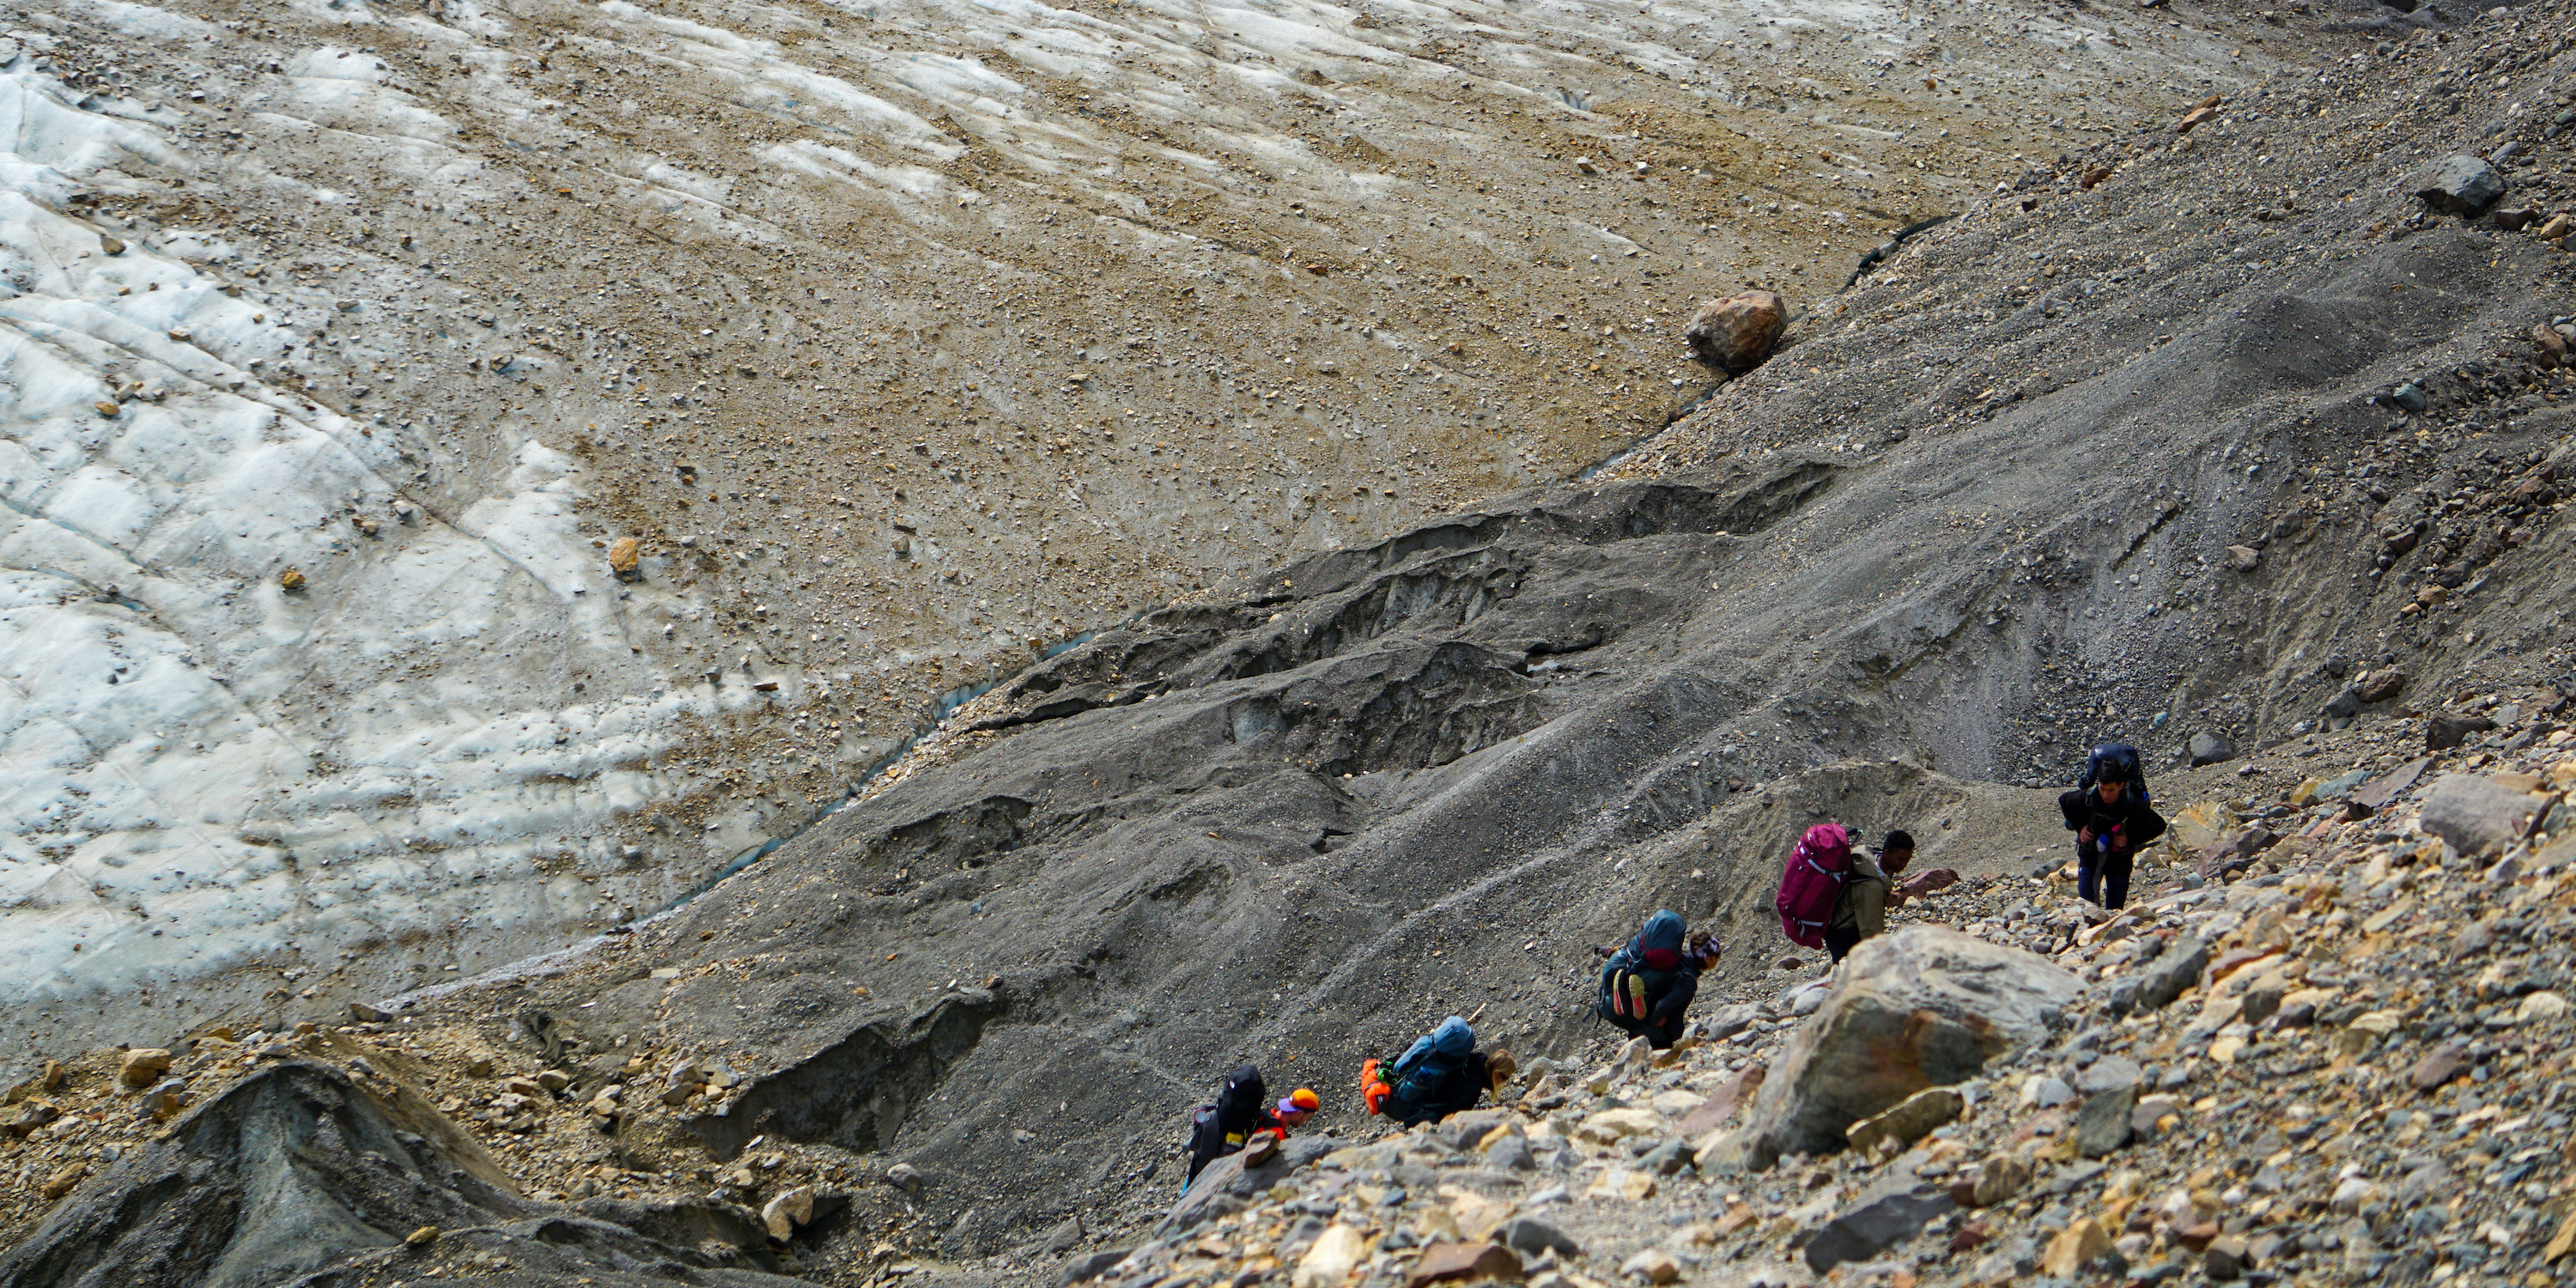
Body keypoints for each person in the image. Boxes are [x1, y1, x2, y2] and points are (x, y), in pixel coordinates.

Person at [1593, 910, 1722, 1048]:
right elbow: (1663, 1006)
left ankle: (1637, 1006)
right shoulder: (1688, 981)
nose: (1719, 958)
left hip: (1637, 1029)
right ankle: (1641, 1014)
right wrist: (1656, 1023)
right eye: (1717, 956)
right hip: (1655, 1036)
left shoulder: (1680, 961)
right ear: (1707, 958)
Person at [2059, 744, 2166, 910]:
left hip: (2120, 860)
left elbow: (2159, 825)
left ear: (2121, 786)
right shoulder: (2088, 797)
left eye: (2111, 790)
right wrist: (2081, 828)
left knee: (2115, 911)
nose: (2106, 795)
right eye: (2102, 789)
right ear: (2097, 783)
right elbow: (2064, 801)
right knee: (2087, 907)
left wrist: (2130, 839)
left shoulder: (2131, 802)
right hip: (2090, 856)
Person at [1360, 1017, 1516, 1127]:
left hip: (1394, 1090)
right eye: (1505, 1078)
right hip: (1402, 1107)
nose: (1505, 1082)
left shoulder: (1467, 1059)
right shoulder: (1472, 1087)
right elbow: (1450, 1117)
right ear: (1496, 1074)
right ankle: (1416, 1122)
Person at [1184, 1066, 1319, 1187]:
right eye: (1308, 1118)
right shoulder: (1275, 1134)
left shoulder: (1268, 1114)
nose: (1306, 1122)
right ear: (1299, 1113)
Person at [1825, 830, 1915, 963]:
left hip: (1836, 928)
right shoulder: (1871, 887)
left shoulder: (1869, 857)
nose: (1904, 864)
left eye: (1907, 859)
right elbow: (1871, 931)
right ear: (1886, 854)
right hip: (1846, 937)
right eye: (1900, 859)